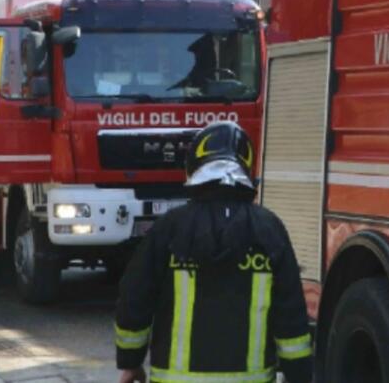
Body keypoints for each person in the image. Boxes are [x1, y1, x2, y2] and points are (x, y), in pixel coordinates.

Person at [115, 121, 313, 383]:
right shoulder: (269, 230)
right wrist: (299, 375)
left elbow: (135, 299)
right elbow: (291, 314)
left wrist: (130, 363)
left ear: (194, 167)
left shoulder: (168, 228)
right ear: (247, 167)